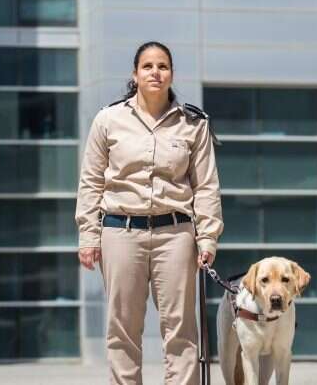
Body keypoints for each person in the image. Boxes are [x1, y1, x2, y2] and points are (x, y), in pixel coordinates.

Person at [75, 41, 224, 385]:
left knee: (181, 331)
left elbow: (206, 187)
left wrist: (208, 238)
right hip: (120, 233)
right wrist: (88, 235)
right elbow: (90, 182)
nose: (155, 72)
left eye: (162, 66)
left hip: (176, 235)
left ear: (171, 74)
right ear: (135, 74)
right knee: (122, 330)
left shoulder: (193, 124)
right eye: (147, 66)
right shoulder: (108, 120)